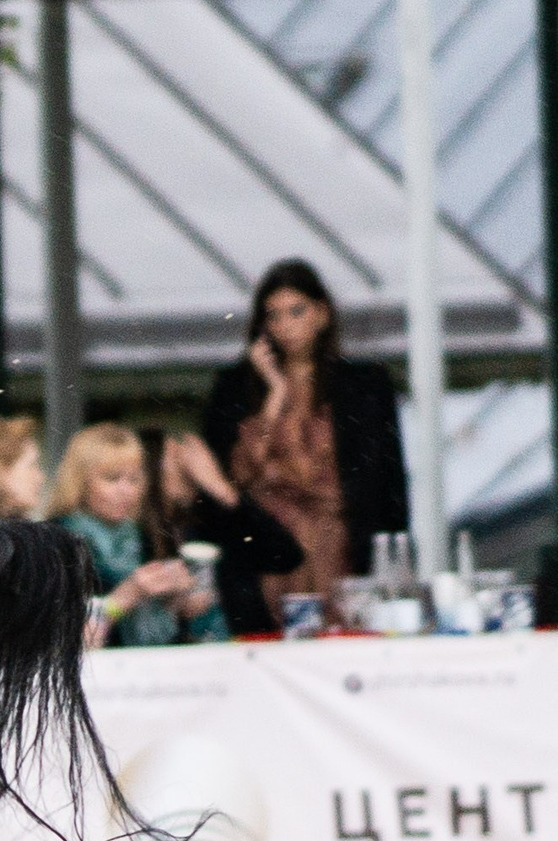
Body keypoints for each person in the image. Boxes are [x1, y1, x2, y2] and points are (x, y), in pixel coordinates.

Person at [202, 257, 408, 607]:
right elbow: (233, 477)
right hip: (269, 550)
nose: (285, 325)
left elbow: (388, 480)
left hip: (342, 548)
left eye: (296, 311)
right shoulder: (235, 388)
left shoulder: (364, 384)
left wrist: (392, 557)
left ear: (322, 314)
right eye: (274, 315)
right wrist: (275, 394)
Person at [48, 424, 224, 648]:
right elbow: (63, 634)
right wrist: (128, 595)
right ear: (79, 481)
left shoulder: (139, 536)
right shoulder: (57, 542)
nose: (126, 491)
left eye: (133, 480)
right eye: (112, 479)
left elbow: (154, 631)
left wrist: (173, 602)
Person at [155, 429, 302, 640]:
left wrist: (223, 491)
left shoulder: (221, 519)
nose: (190, 465)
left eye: (196, 456)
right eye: (177, 456)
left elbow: (288, 555)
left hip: (240, 646)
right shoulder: (138, 531)